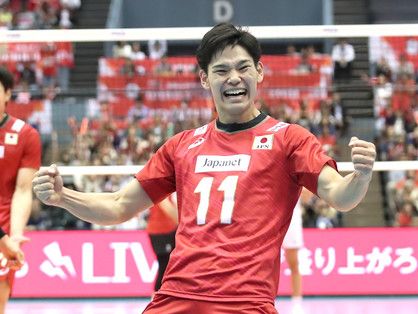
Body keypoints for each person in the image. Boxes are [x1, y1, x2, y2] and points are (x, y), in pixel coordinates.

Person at [32, 24, 376, 314]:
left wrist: (360, 176)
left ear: (259, 72)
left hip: (245, 301)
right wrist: (64, 197)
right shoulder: (181, 145)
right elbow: (120, 205)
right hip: (176, 297)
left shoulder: (289, 139)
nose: (234, 78)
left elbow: (341, 197)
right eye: (221, 70)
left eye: (243, 67)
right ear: (204, 79)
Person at [0, 66, 41, 313]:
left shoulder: (26, 135)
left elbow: (23, 190)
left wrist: (14, 236)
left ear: (7, 94)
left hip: (3, 228)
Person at [146, 194, 178, 295]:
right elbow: (170, 211)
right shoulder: (161, 192)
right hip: (160, 232)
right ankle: (156, 297)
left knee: (168, 266)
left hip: (168, 230)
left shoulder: (167, 192)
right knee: (164, 266)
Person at [282, 198, 304, 314]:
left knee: (294, 263)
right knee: (267, 264)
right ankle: (266, 299)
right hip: (270, 216)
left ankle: (297, 304)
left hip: (292, 219)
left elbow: (307, 196)